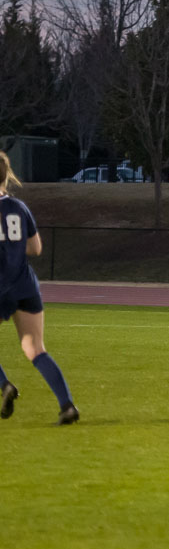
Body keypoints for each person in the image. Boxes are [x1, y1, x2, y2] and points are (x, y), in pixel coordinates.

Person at [0, 152, 79, 425]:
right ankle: (66, 405)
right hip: (24, 285)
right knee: (35, 348)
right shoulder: (19, 208)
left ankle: (5, 386)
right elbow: (35, 248)